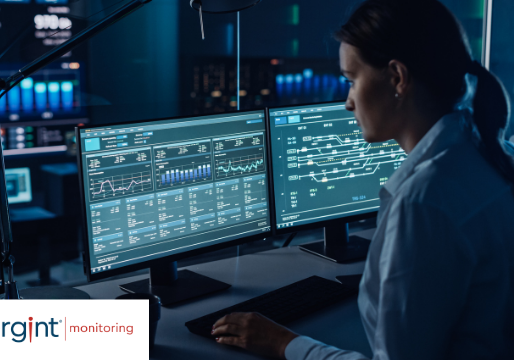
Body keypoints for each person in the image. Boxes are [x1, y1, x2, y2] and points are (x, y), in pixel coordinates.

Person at [211, 0, 514, 359]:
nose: (348, 102)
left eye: (352, 80)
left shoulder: (423, 202)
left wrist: (283, 343)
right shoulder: (491, 153)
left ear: (397, 77)